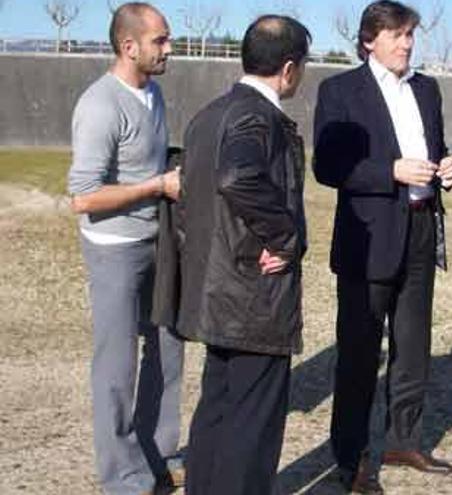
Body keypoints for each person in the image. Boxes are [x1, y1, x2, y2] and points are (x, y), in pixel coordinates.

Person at [313, 1, 452, 492]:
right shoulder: (340, 91)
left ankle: (404, 440)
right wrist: (390, 172)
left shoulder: (426, 88)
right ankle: (351, 458)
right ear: (369, 40)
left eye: (410, 34)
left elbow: (432, 149)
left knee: (413, 346)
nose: (407, 43)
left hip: (421, 230)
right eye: (397, 35)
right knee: (358, 353)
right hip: (368, 237)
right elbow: (329, 167)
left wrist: (446, 167)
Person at [176, 15, 311, 494]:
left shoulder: (209, 114)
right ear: (290, 68)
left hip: (217, 289)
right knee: (251, 425)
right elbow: (238, 177)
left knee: (218, 409)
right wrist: (285, 236)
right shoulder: (257, 116)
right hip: (252, 294)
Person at [67, 3, 184, 493]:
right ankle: (123, 478)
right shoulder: (100, 105)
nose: (169, 49)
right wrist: (158, 184)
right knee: (117, 367)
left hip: (157, 245)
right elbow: (83, 197)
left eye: (168, 38)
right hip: (114, 250)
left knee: (169, 352)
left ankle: (157, 453)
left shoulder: (153, 93)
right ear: (128, 46)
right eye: (160, 40)